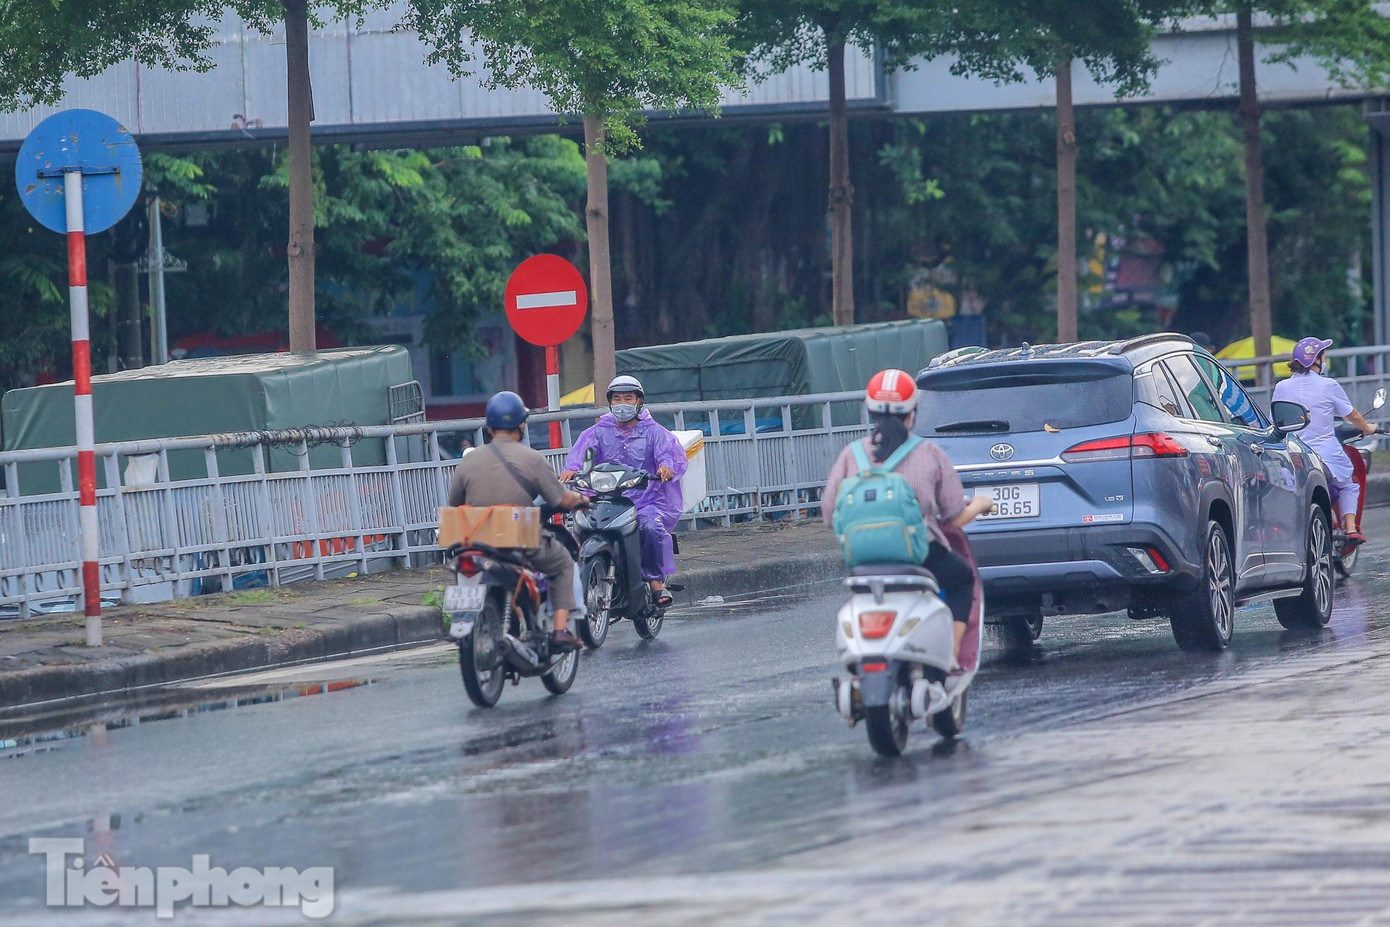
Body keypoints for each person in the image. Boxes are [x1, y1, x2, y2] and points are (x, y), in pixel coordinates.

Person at [823, 369, 994, 670]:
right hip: (920, 557)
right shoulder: (929, 453)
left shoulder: (852, 455)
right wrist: (980, 504)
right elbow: (954, 517)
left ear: (871, 412)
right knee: (962, 578)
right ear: (912, 414)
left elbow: (828, 513)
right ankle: (952, 652)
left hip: (861, 562)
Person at [447, 391, 588, 651]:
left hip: (475, 540)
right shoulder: (532, 458)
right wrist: (580, 499)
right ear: (522, 424)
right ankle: (559, 631)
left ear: (489, 427)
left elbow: (455, 502)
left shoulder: (469, 461)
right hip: (518, 540)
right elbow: (559, 499)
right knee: (564, 563)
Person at [560, 375, 688, 607]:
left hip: (647, 500)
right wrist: (572, 469)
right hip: (607, 497)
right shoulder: (598, 431)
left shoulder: (654, 432)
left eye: (628, 398)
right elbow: (583, 456)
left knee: (650, 527)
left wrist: (665, 467)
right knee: (581, 525)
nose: (622, 403)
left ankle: (655, 581)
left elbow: (667, 455)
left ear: (639, 402)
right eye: (617, 398)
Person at [1273, 337, 1379, 546]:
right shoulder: (1328, 385)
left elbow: (1275, 420)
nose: (1326, 358)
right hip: (1326, 455)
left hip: (1293, 457)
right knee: (1348, 485)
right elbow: (1352, 415)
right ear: (1316, 359)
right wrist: (1368, 428)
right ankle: (1350, 529)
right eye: (1324, 354)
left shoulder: (1282, 387)